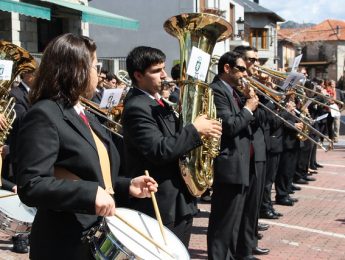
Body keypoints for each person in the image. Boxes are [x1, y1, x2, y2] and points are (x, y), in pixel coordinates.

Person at [15, 34, 158, 260]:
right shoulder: (44, 114)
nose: (98, 73)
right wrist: (89, 194)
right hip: (64, 244)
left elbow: (93, 175)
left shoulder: (83, 113)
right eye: (95, 65)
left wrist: (126, 185)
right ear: (76, 70)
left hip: (93, 237)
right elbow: (31, 185)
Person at [122, 46, 222, 247]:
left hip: (178, 199)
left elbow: (176, 139)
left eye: (163, 68)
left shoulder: (158, 102)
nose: (164, 75)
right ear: (138, 75)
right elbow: (160, 150)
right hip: (161, 202)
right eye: (157, 71)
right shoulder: (136, 107)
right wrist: (195, 129)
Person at [207, 51, 259, 260]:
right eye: (241, 69)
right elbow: (229, 126)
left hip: (241, 163)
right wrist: (248, 108)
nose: (245, 73)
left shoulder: (234, 90)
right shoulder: (217, 90)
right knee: (223, 223)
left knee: (233, 223)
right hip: (229, 164)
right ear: (227, 68)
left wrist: (249, 101)